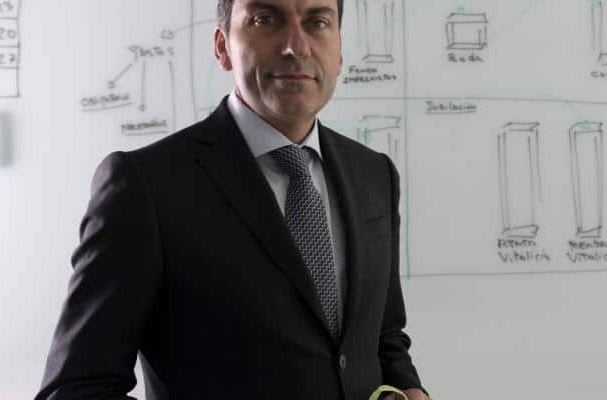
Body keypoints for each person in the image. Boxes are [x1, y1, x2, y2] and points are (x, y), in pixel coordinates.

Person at [35, 0, 429, 399]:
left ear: (339, 51)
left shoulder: (374, 174)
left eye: (318, 22)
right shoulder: (146, 186)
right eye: (265, 19)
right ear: (222, 46)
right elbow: (75, 389)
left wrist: (409, 387)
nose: (296, 46)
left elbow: (383, 334)